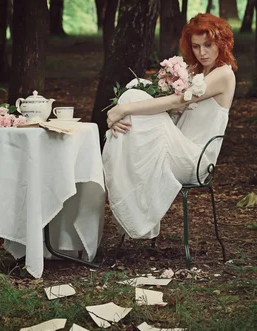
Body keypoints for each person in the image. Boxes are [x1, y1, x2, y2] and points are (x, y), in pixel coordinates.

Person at [102, 13, 237, 240]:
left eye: (208, 45)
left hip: (196, 160)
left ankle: (120, 186)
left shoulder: (223, 74)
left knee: (133, 98)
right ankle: (126, 187)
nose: (202, 52)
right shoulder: (196, 72)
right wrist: (125, 113)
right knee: (135, 92)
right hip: (177, 148)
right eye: (196, 46)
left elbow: (177, 102)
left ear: (221, 43)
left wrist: (123, 110)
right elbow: (172, 108)